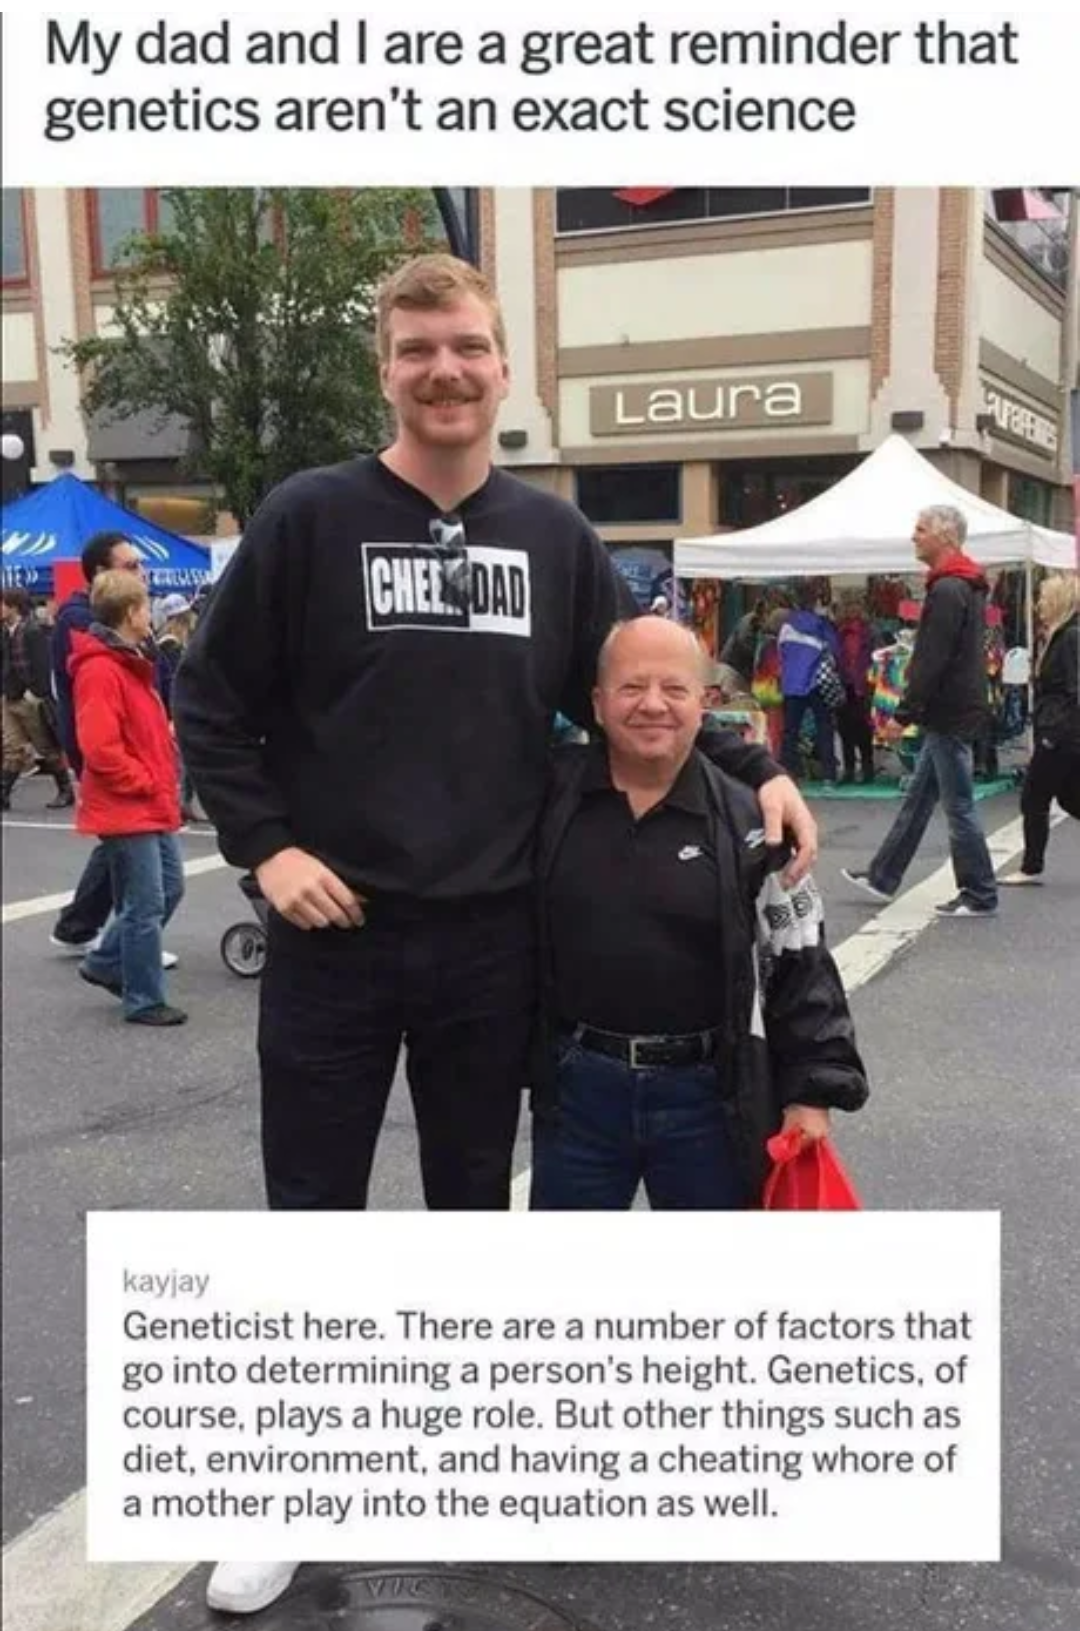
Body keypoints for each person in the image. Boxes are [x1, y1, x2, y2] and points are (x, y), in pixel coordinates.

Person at [173, 251, 818, 1617]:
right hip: (333, 935)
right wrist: (266, 846)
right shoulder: (309, 517)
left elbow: (642, 675)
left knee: (474, 1207)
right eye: (416, 350)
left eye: (466, 346)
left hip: (492, 937)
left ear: (505, 367)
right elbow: (213, 704)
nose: (444, 371)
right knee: (315, 1214)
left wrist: (754, 756)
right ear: (386, 368)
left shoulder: (553, 537)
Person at [529, 617, 869, 1210]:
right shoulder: (546, 801)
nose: (652, 705)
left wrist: (811, 1092)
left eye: (674, 689)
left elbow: (802, 958)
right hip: (579, 1091)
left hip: (711, 1098)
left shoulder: (756, 827)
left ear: (704, 702)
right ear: (598, 703)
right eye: (632, 688)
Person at [842, 504, 998, 917]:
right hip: (954, 708)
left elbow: (932, 658)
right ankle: (882, 876)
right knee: (920, 797)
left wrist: (902, 713)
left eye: (921, 529)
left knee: (958, 805)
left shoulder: (948, 589)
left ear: (945, 537)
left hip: (948, 711)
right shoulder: (963, 584)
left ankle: (980, 892)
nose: (914, 536)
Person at [48, 531, 178, 970]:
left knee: (130, 858)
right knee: (134, 865)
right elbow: (94, 709)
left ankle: (96, 935)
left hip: (137, 758)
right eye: (130, 566)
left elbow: (151, 681)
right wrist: (137, 773)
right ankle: (122, 946)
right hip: (112, 760)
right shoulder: (84, 625)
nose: (141, 573)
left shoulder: (130, 630)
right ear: (102, 576)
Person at [69, 570, 186, 1025]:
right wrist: (144, 779)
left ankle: (106, 963)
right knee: (145, 903)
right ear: (131, 612)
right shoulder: (103, 668)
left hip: (145, 799)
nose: (150, 611)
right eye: (145, 604)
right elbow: (100, 748)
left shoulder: (128, 659)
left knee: (165, 890)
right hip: (129, 802)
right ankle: (143, 997)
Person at [1001, 571, 1080, 884]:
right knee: (1069, 797)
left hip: (1060, 734)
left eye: (1043, 600)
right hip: (1062, 732)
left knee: (1035, 797)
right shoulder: (1062, 636)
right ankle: (1031, 865)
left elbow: (1075, 689)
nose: (1037, 607)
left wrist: (1054, 732)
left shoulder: (1070, 637)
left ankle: (1031, 867)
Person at [1, 586, 73, 811]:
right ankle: (3, 794)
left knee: (46, 747)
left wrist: (36, 693)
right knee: (12, 747)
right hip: (9, 697)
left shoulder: (32, 631)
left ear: (13, 606)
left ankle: (65, 789)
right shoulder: (5, 631)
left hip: (30, 698)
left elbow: (42, 665)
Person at [777, 588, 840, 782]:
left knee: (790, 731)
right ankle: (828, 774)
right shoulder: (822, 625)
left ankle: (789, 773)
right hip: (816, 682)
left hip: (791, 683)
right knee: (824, 727)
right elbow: (835, 651)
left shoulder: (787, 626)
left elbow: (780, 653)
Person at [834, 591, 875, 784]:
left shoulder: (870, 631)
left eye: (855, 605)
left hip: (864, 685)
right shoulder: (837, 631)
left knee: (864, 728)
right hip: (843, 684)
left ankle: (868, 768)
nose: (852, 610)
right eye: (848, 606)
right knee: (844, 729)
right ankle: (848, 768)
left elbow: (877, 655)